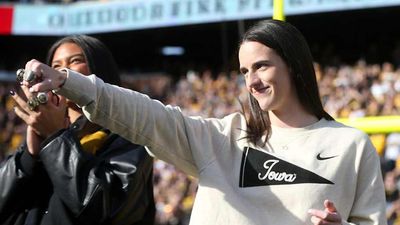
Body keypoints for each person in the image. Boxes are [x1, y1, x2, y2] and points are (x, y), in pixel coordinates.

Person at [22, 20, 386, 225]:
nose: (252, 81)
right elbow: (147, 116)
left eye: (262, 66)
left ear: (293, 64)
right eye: (244, 71)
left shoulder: (350, 146)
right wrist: (70, 82)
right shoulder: (223, 138)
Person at [0, 35, 155, 225]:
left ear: (100, 72)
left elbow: (100, 209)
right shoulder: (44, 139)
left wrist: (55, 138)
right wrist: (28, 157)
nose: (62, 71)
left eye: (75, 61)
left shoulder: (133, 139)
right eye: (55, 66)